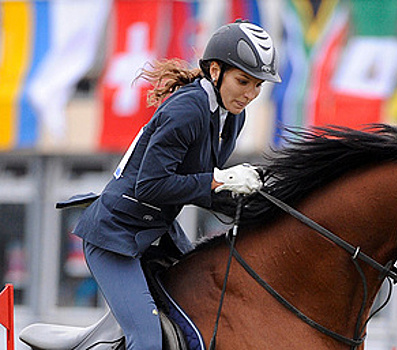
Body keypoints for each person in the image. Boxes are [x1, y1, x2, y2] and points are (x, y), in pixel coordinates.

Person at [72, 20, 281, 350]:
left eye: (258, 86)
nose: (250, 94)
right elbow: (151, 186)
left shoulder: (232, 115)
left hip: (156, 235)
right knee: (148, 340)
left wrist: (259, 201)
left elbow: (198, 186)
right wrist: (218, 179)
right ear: (215, 71)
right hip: (115, 237)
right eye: (243, 81)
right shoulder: (187, 109)